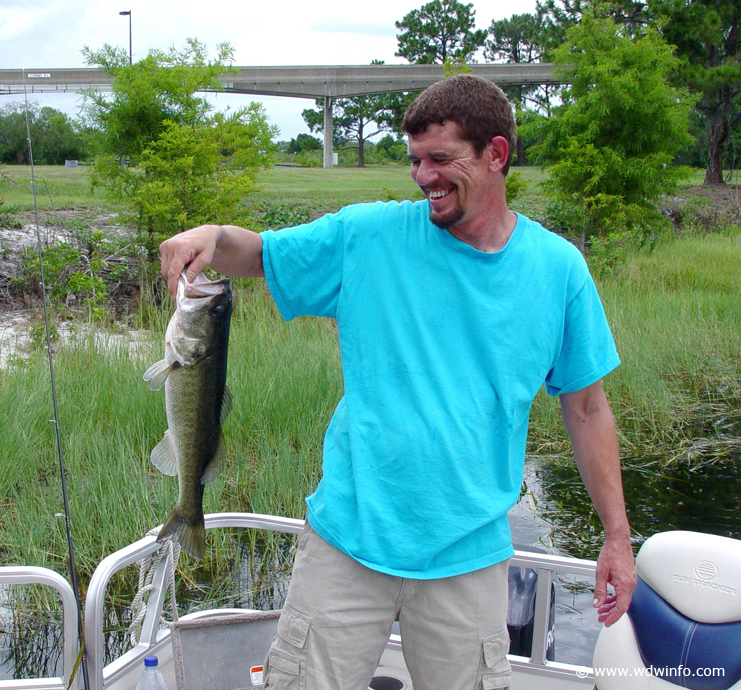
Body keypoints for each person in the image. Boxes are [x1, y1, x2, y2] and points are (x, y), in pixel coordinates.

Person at [159, 74, 636, 690]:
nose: (423, 176)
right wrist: (213, 237)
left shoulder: (559, 270)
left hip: (468, 555)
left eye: (441, 159)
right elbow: (259, 255)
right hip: (348, 542)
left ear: (497, 154)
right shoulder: (369, 236)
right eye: (414, 160)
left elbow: (590, 409)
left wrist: (618, 539)